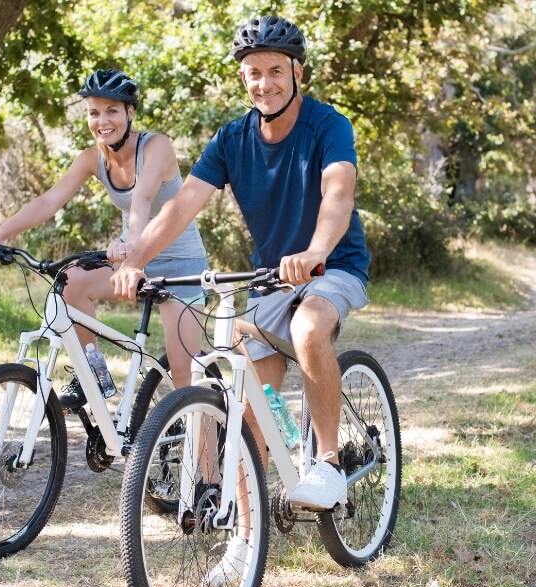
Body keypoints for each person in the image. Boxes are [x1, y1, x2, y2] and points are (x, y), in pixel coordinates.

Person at [112, 15, 370, 514]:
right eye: (254, 72)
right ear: (242, 79)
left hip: (333, 265)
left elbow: (337, 193)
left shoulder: (328, 125)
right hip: (270, 276)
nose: (264, 83)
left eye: (275, 70)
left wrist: (316, 251)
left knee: (308, 326)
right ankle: (243, 544)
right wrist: (137, 259)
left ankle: (331, 463)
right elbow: (182, 205)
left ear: (299, 73)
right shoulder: (232, 139)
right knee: (249, 406)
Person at [0, 69, 209, 404]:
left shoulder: (157, 146)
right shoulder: (92, 159)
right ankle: (93, 376)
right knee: (71, 283)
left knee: (184, 379)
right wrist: (0, 232)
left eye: (112, 111)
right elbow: (49, 201)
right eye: (94, 112)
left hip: (179, 267)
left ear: (130, 112)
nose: (102, 121)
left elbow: (142, 199)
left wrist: (131, 248)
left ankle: (204, 457)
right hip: (131, 259)